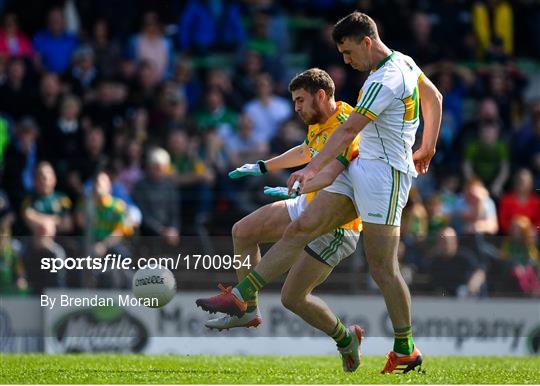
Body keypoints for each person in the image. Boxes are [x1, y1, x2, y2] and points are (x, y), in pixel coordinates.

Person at [196, 12, 442, 374]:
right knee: (299, 228)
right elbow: (433, 95)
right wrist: (428, 145)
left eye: (347, 51)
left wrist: (312, 171)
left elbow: (345, 136)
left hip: (386, 178)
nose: (345, 60)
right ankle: (241, 298)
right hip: (362, 169)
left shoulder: (383, 81)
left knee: (383, 267)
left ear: (366, 42)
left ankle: (405, 347)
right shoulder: (403, 63)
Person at [200, 68, 363, 369]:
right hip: (309, 203)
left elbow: (333, 171)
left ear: (321, 95)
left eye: (300, 100)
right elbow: (306, 150)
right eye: (294, 101)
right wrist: (262, 166)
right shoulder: (319, 121)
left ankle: (345, 338)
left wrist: (300, 185)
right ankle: (247, 309)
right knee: (243, 231)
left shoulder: (346, 124)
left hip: (338, 225)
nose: (297, 108)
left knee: (293, 298)